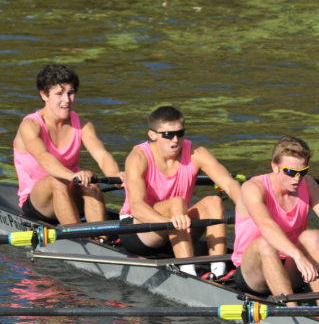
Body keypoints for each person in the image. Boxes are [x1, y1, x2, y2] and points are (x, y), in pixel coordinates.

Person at [119, 106, 240, 278]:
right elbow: (137, 206)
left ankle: (219, 271)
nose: (175, 140)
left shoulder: (196, 152)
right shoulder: (138, 156)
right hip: (138, 230)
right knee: (177, 202)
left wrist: (249, 210)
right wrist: (170, 224)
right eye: (168, 135)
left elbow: (229, 184)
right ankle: (188, 272)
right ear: (152, 135)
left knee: (214, 200)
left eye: (180, 133)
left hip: (177, 227)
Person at [230, 136, 319, 306]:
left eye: (302, 172)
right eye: (290, 172)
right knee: (265, 243)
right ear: (275, 166)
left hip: (290, 268)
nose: (297, 179)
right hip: (254, 274)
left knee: (314, 237)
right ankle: (291, 310)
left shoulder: (308, 184)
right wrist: (298, 255)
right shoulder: (253, 188)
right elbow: (266, 226)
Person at [13, 64, 123, 225]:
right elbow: (43, 157)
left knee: (90, 178)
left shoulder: (84, 125)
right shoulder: (30, 126)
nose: (67, 100)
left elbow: (102, 155)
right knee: (57, 180)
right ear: (44, 95)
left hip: (70, 193)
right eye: (59, 94)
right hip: (39, 203)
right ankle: (76, 236)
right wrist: (71, 176)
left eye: (70, 93)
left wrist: (117, 176)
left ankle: (101, 237)